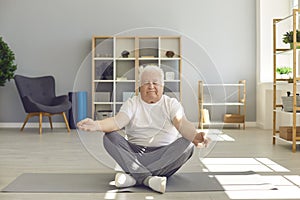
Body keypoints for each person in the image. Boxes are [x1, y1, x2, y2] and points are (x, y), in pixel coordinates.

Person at [77, 65, 209, 193]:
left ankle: (135, 177)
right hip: (134, 155)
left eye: (155, 83)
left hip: (163, 157)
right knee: (109, 137)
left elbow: (182, 123)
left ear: (162, 86)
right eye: (146, 83)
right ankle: (149, 180)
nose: (151, 86)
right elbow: (117, 122)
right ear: (140, 87)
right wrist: (97, 125)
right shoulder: (132, 103)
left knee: (187, 144)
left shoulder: (171, 104)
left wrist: (195, 136)